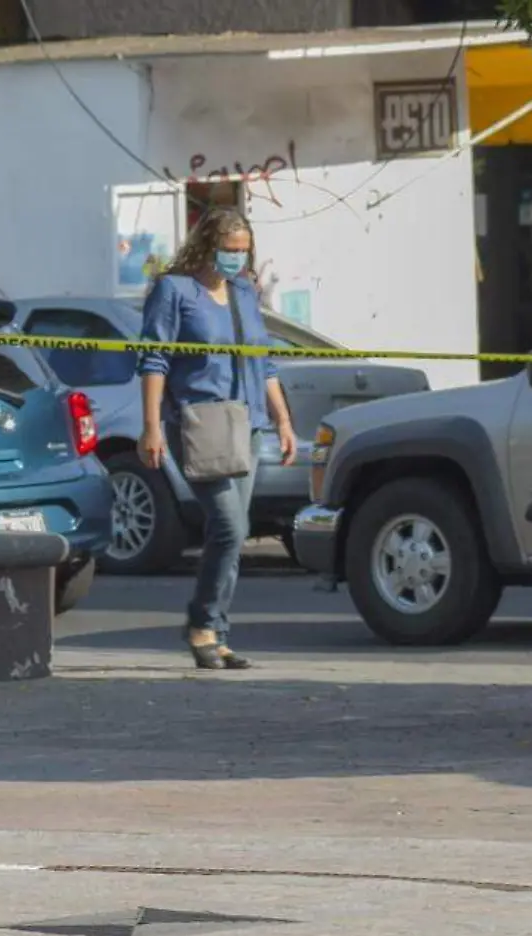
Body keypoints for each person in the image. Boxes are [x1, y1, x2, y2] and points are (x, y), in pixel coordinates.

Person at [137, 207, 298, 670]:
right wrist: (151, 428)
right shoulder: (175, 290)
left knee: (230, 533)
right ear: (207, 245)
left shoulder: (245, 291)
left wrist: (282, 420)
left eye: (243, 249)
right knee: (231, 527)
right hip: (199, 422)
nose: (236, 258)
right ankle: (202, 623)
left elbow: (263, 363)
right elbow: (154, 361)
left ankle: (217, 633)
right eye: (229, 250)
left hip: (245, 422)